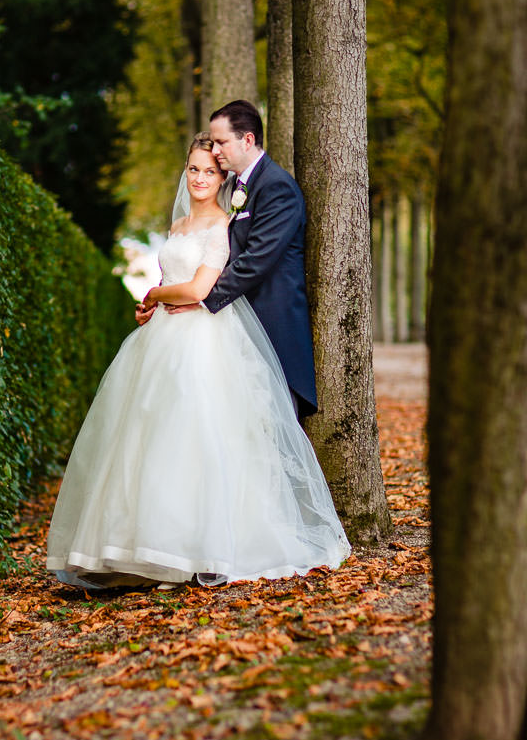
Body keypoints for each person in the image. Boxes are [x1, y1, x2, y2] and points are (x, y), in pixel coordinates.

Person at [45, 133, 350, 590]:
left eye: (209, 170)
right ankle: (138, 546)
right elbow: (171, 280)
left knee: (197, 433)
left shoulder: (224, 226)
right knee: (146, 433)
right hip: (160, 341)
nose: (200, 178)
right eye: (193, 169)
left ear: (223, 176)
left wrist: (154, 294)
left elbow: (197, 291)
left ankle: (194, 546)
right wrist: (148, 307)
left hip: (206, 340)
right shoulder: (178, 227)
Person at [138, 100, 315, 420]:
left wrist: (201, 297)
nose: (216, 150)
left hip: (273, 325)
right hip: (237, 324)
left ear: (247, 140)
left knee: (268, 428)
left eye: (221, 142)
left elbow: (257, 260)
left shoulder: (276, 187)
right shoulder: (235, 185)